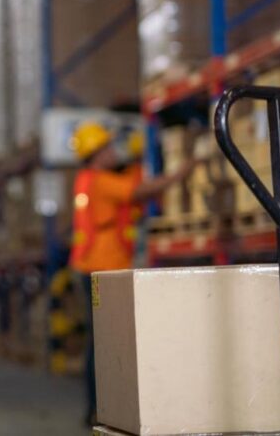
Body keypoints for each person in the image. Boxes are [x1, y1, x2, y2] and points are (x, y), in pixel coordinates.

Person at [69, 121, 194, 425]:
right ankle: (97, 409)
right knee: (103, 343)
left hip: (96, 268)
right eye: (108, 147)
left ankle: (99, 408)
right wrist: (182, 172)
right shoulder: (100, 181)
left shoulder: (92, 179)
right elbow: (140, 190)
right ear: (96, 154)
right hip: (100, 271)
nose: (114, 151)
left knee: (103, 341)